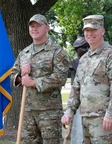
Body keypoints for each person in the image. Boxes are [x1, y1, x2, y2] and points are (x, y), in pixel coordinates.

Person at [11, 14, 69, 144]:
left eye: (38, 26)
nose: (34, 29)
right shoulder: (24, 53)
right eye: (32, 26)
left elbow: (60, 77)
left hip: (49, 112)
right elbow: (13, 75)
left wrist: (34, 82)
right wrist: (20, 76)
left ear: (47, 27)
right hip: (28, 112)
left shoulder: (57, 51)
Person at [61, 15, 112, 143]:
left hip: (103, 120)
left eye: (94, 30)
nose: (90, 34)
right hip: (84, 119)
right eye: (87, 31)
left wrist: (110, 115)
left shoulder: (109, 54)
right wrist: (69, 111)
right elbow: (76, 88)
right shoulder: (84, 59)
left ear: (102, 31)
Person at [68, 36, 89, 144]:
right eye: (83, 47)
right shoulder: (73, 63)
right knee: (77, 128)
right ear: (77, 49)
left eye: (87, 47)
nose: (86, 49)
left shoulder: (89, 60)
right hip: (77, 96)